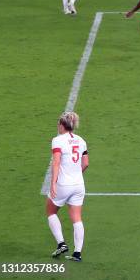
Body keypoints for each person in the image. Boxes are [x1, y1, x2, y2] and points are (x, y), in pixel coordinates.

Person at [46, 112, 88, 262]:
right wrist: (77, 174)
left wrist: (53, 183)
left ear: (62, 125)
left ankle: (61, 244)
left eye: (58, 124)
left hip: (63, 184)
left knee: (51, 211)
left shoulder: (57, 141)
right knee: (77, 218)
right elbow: (86, 163)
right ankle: (77, 254)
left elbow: (56, 163)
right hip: (79, 185)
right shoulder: (81, 140)